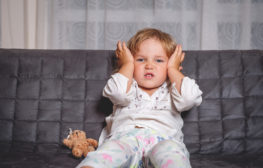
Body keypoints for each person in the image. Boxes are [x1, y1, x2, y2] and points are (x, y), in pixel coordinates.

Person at [77, 28, 202, 168]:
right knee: (110, 151)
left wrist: (173, 70)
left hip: (163, 141)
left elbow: (190, 98)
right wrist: (126, 65)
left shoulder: (174, 89)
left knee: (172, 153)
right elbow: (117, 93)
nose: (149, 66)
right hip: (125, 140)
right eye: (140, 60)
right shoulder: (127, 85)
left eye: (159, 60)